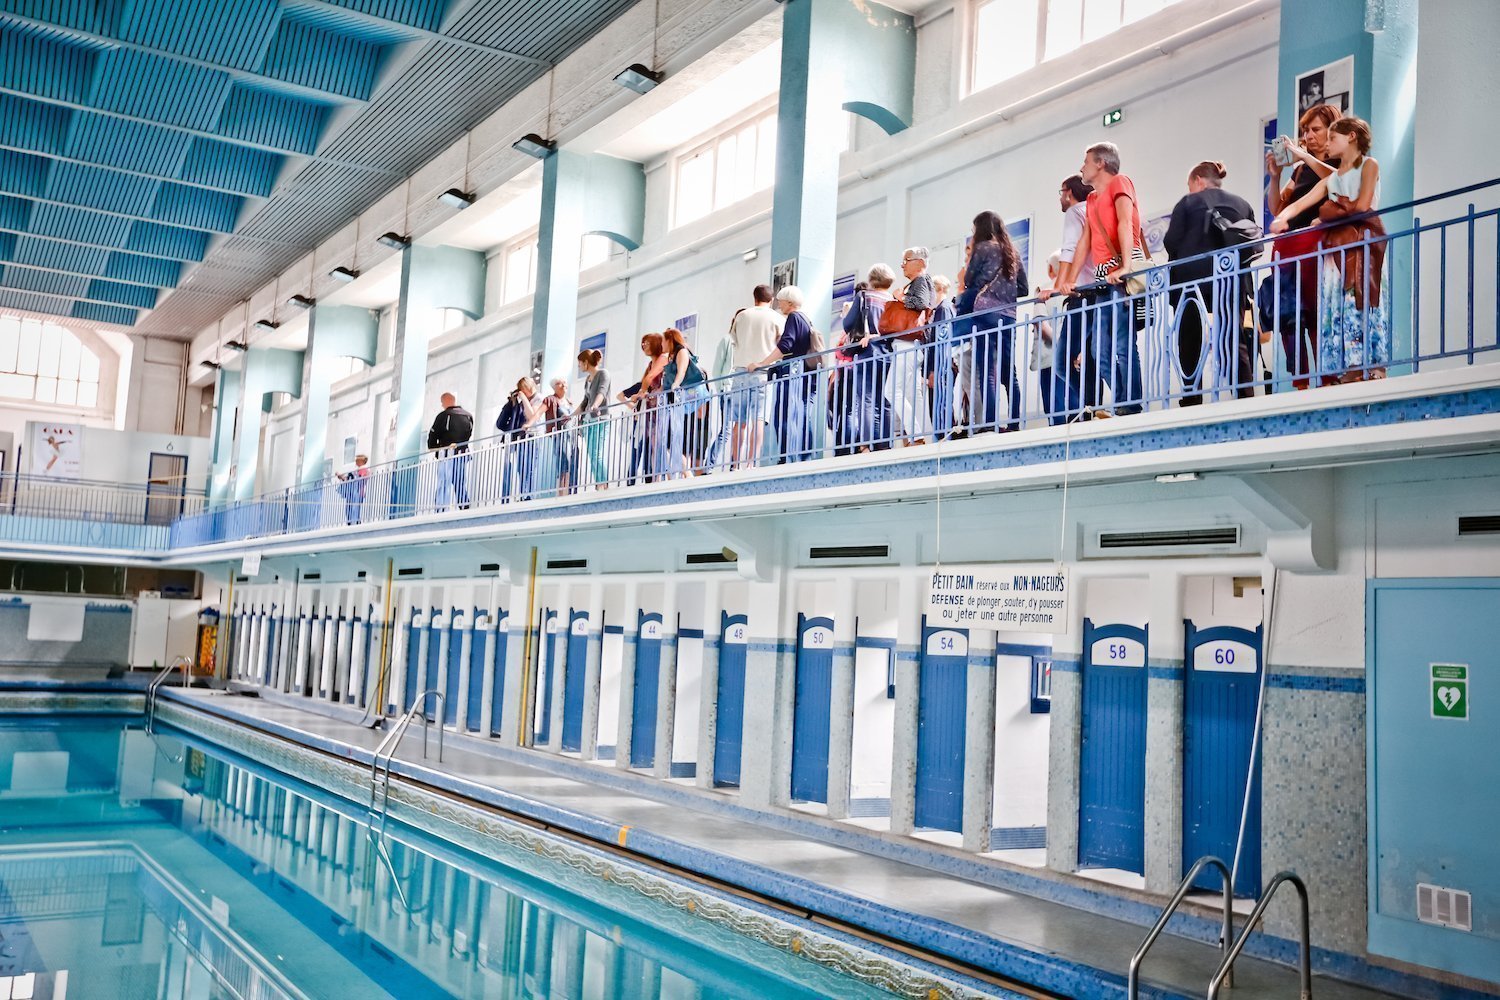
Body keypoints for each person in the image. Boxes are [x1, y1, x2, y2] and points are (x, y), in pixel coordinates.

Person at [1271, 116, 1387, 381]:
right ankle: (1344, 367)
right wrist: (1282, 218)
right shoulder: (1332, 178)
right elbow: (1300, 203)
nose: (1327, 143)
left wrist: (1326, 213)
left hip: (1361, 242)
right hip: (1336, 249)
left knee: (1362, 299)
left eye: (1332, 137)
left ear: (1352, 138)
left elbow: (1362, 205)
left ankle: (1370, 364)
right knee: (1335, 305)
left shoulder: (1369, 165)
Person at [1054, 142, 1144, 418]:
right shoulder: (1091, 200)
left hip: (1122, 269)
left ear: (1101, 163)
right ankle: (1120, 401)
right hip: (1104, 275)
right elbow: (1085, 243)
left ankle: (1130, 404)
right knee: (1098, 349)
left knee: (1122, 343)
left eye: (1086, 161)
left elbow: (1125, 223)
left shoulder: (1120, 182)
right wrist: (1068, 283)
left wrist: (1126, 266)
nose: (1082, 167)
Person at [1163, 160, 1259, 405]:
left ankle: (1192, 397)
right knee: (1233, 337)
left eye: (1189, 184)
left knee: (1190, 338)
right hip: (1231, 279)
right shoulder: (1242, 204)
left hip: (1191, 280)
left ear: (1198, 180)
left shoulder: (1187, 202)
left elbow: (1171, 241)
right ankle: (1244, 395)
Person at [1265, 103, 1339, 387]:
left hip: (1315, 246)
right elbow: (1277, 207)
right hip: (1288, 246)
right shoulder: (1298, 172)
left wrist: (1303, 156)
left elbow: (1337, 183)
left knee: (1318, 312)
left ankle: (1328, 378)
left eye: (1315, 129)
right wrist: (1274, 177)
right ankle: (1302, 380)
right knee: (1289, 313)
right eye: (1305, 130)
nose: (1308, 135)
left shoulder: (1336, 164)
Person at [957, 211, 1028, 433]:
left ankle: (989, 423)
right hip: (1008, 315)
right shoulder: (1013, 252)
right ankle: (1015, 422)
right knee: (1010, 372)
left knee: (987, 369)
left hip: (985, 313)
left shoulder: (983, 247)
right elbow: (1024, 288)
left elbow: (969, 280)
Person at [751, 286, 816, 463]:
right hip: (806, 373)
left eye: (780, 301)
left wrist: (763, 363)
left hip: (792, 372)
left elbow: (786, 345)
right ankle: (804, 455)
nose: (779, 304)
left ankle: (785, 455)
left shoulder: (794, 317)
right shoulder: (806, 319)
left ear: (789, 302)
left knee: (783, 414)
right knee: (802, 414)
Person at [726, 285, 784, 469]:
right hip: (762, 372)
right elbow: (782, 344)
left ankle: (735, 464)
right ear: (772, 299)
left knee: (739, 421)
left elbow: (734, 340)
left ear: (754, 298)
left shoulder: (742, 316)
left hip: (740, 371)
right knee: (758, 419)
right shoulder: (776, 317)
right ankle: (751, 463)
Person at [1050, 174, 1092, 423]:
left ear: (1068, 192)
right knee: (1092, 357)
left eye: (1060, 193)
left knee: (1063, 361)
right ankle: (1090, 408)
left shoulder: (1075, 211)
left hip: (1081, 294)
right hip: (1098, 292)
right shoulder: (1094, 209)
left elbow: (1070, 247)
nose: (1060, 199)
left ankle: (1085, 410)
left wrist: (1059, 284)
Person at [840, 264, 896, 450]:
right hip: (889, 353)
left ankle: (866, 444)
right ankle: (885, 444)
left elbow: (848, 324)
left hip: (868, 351)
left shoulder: (864, 296)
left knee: (866, 398)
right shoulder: (893, 299)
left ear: (872, 279)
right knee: (886, 400)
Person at [886, 248, 936, 445]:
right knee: (913, 394)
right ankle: (921, 434)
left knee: (891, 391)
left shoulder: (921, 280)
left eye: (906, 260)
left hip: (907, 344)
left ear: (920, 262)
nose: (902, 265)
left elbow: (920, 302)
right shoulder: (925, 282)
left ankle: (916, 434)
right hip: (915, 345)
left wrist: (900, 297)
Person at [661, 326, 711, 476]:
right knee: (673, 441)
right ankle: (686, 474)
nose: (661, 344)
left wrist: (676, 384)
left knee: (680, 439)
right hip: (681, 401)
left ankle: (688, 475)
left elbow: (682, 370)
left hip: (690, 398)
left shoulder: (681, 351)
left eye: (663, 340)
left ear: (670, 339)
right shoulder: (671, 356)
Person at [625, 333, 670, 482]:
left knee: (659, 444)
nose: (644, 345)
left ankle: (666, 477)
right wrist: (639, 394)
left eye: (647, 343)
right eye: (643, 343)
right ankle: (655, 477)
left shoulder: (663, 358)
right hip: (651, 408)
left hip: (660, 407)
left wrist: (641, 393)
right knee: (652, 444)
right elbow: (646, 383)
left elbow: (650, 379)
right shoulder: (651, 364)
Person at [426, 392, 473, 509]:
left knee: (443, 482)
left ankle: (441, 507)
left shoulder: (443, 416)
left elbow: (433, 435)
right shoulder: (468, 416)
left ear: (446, 401)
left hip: (446, 454)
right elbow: (469, 433)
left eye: (442, 402)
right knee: (460, 481)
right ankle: (464, 505)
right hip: (462, 453)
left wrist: (434, 447)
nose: (442, 405)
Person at [927, 275, 958, 439]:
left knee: (939, 403)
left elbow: (942, 341)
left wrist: (933, 370)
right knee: (939, 403)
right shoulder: (945, 309)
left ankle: (944, 437)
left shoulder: (943, 309)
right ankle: (943, 435)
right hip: (943, 365)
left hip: (941, 366)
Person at [577, 349, 612, 489]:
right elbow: (584, 401)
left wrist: (595, 406)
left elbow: (602, 392)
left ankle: (604, 485)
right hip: (587, 421)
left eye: (580, 363)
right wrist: (570, 416)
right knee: (591, 454)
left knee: (597, 453)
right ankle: (598, 485)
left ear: (586, 362)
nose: (579, 366)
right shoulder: (587, 379)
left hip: (600, 418)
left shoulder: (603, 374)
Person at [538, 377, 576, 494]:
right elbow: (539, 412)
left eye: (564, 382)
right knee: (563, 462)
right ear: (554, 387)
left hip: (572, 436)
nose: (563, 384)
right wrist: (529, 424)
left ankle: (568, 490)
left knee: (571, 462)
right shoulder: (551, 400)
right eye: (559, 383)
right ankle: (561, 492)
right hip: (561, 437)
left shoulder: (569, 402)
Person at [336, 454, 369, 525]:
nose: (356, 462)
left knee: (354, 508)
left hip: (357, 491)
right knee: (350, 508)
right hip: (352, 491)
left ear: (361, 461)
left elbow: (361, 478)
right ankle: (351, 522)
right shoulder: (357, 470)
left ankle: (354, 522)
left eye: (357, 460)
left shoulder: (363, 469)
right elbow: (348, 479)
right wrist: (340, 476)